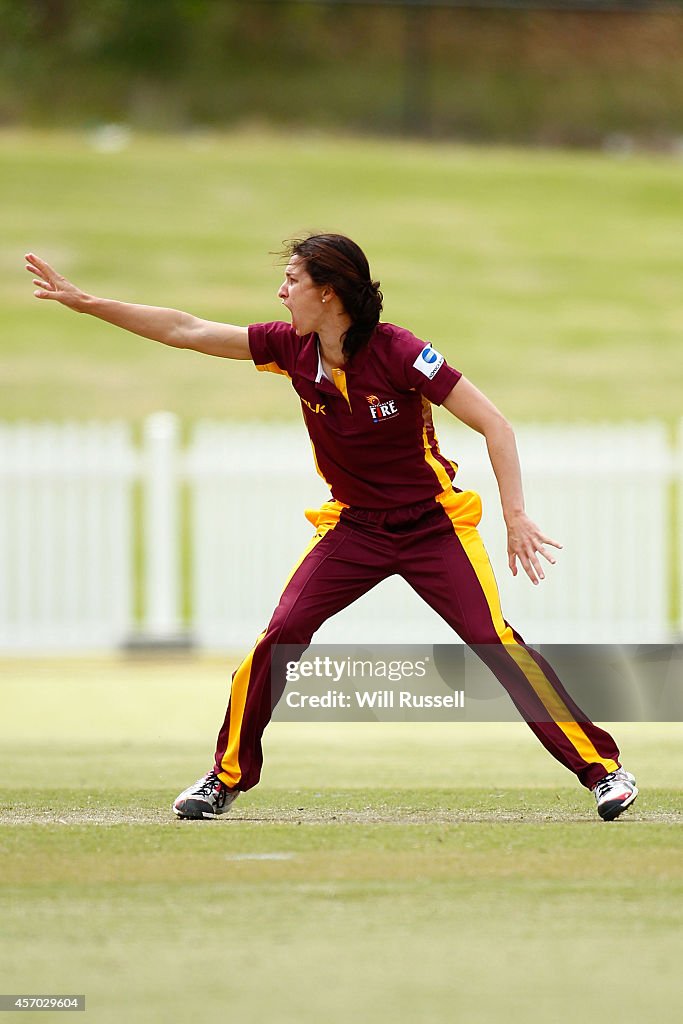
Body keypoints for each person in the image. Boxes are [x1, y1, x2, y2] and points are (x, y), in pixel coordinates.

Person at [25, 236, 638, 822]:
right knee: (283, 632)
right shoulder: (290, 348)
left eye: (292, 280)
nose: (281, 293)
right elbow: (186, 331)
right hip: (355, 528)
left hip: (434, 526)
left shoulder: (401, 352)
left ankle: (603, 770)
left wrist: (515, 515)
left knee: (493, 640)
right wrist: (88, 302)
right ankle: (225, 778)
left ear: (331, 293)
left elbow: (495, 424)